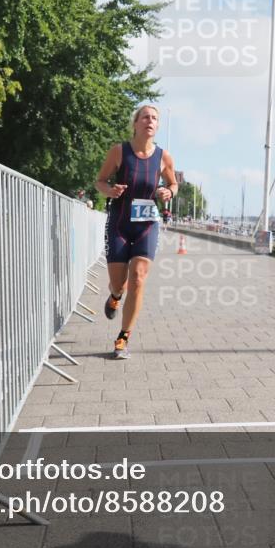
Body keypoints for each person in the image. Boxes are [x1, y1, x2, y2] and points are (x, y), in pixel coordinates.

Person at [94, 104, 177, 359]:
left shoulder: (163, 157)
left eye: (154, 118)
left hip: (147, 224)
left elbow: (173, 183)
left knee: (139, 278)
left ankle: (123, 338)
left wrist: (168, 192)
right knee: (119, 283)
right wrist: (110, 191)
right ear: (136, 123)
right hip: (119, 223)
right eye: (145, 117)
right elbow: (99, 181)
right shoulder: (120, 151)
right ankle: (116, 295)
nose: (150, 121)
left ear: (157, 125)